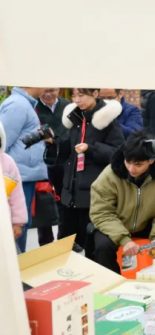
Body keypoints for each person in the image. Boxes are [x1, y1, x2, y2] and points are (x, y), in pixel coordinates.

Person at [87, 131, 155, 273]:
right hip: (113, 225)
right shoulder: (109, 175)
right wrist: (124, 239)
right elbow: (102, 212)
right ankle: (113, 285)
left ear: (151, 160)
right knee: (102, 246)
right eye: (128, 162)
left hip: (146, 225)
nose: (131, 169)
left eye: (138, 164)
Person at [55, 89, 125, 252]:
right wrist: (53, 142)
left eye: (81, 95)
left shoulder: (107, 119)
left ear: (95, 94)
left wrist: (91, 149)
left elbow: (118, 152)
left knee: (91, 245)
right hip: (70, 193)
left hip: (93, 194)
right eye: (74, 96)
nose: (77, 100)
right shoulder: (74, 117)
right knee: (64, 245)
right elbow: (68, 149)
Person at [0, 86, 49, 252]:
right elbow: (4, 140)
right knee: (16, 226)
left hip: (24, 174)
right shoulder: (18, 105)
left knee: (20, 224)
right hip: (16, 176)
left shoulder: (23, 103)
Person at [35, 88, 71, 246]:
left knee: (66, 200)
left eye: (51, 90)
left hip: (65, 159)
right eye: (44, 91)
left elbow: (72, 129)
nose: (48, 94)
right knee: (44, 201)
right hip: (44, 161)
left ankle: (65, 238)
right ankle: (46, 241)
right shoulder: (34, 107)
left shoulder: (67, 105)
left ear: (58, 89)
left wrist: (55, 139)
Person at [1, 121, 28, 253]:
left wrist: (18, 222)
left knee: (11, 259)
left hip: (3, 225)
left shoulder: (6, 162)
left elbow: (16, 196)